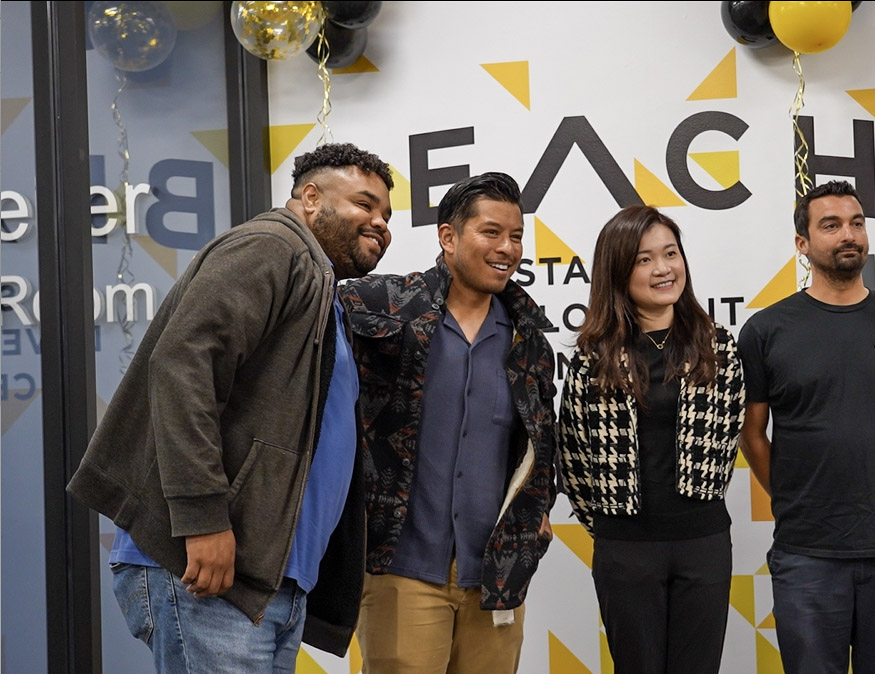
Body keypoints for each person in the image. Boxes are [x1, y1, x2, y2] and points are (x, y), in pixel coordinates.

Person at [66, 142, 395, 671]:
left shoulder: (322, 291)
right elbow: (182, 365)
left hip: (266, 579)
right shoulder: (272, 245)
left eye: (386, 214)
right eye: (364, 203)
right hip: (207, 567)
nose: (380, 222)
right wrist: (202, 521)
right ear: (311, 198)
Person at [340, 172, 557, 674]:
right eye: (491, 232)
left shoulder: (528, 340)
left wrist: (539, 508)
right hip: (402, 568)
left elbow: (542, 442)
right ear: (448, 237)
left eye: (517, 235)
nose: (508, 248)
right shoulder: (387, 309)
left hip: (497, 577)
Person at [737, 180, 875, 674]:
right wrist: (790, 493)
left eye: (856, 223)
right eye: (830, 225)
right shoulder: (766, 331)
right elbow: (752, 435)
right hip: (807, 551)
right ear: (802, 245)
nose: (847, 234)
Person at [558, 205, 746, 674]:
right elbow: (573, 459)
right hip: (626, 548)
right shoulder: (592, 359)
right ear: (618, 270)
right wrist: (617, 524)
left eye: (670, 253)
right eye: (644, 259)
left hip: (702, 541)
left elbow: (729, 436)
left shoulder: (718, 346)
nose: (663, 268)